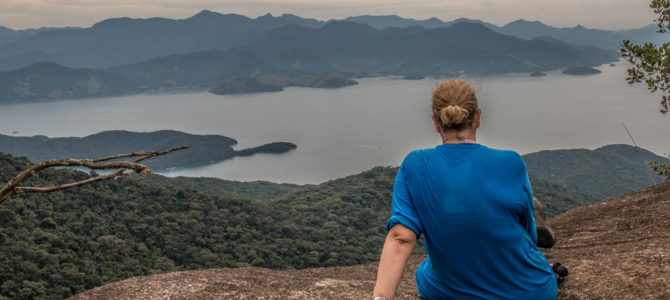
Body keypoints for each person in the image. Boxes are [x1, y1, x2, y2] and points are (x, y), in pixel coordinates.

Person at [372, 80, 557, 300]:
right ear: (477, 117)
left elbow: (400, 238)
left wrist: (381, 298)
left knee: (425, 270)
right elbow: (528, 232)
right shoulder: (512, 162)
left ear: (436, 122)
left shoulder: (415, 165)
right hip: (530, 291)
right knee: (529, 214)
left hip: (450, 292)